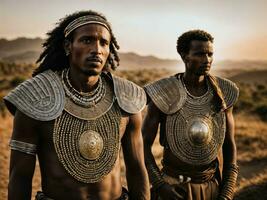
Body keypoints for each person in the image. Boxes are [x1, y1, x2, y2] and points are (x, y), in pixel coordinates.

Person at [4, 10, 150, 200]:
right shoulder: (35, 98)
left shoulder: (125, 99)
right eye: (87, 40)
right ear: (68, 46)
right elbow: (19, 177)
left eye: (104, 43)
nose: (97, 49)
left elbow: (137, 170)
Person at [142, 30, 239, 200]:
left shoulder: (223, 93)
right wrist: (161, 185)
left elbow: (229, 146)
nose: (207, 60)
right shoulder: (164, 93)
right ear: (184, 56)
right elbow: (141, 145)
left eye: (210, 54)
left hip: (211, 188)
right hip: (173, 188)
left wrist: (227, 191)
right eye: (200, 54)